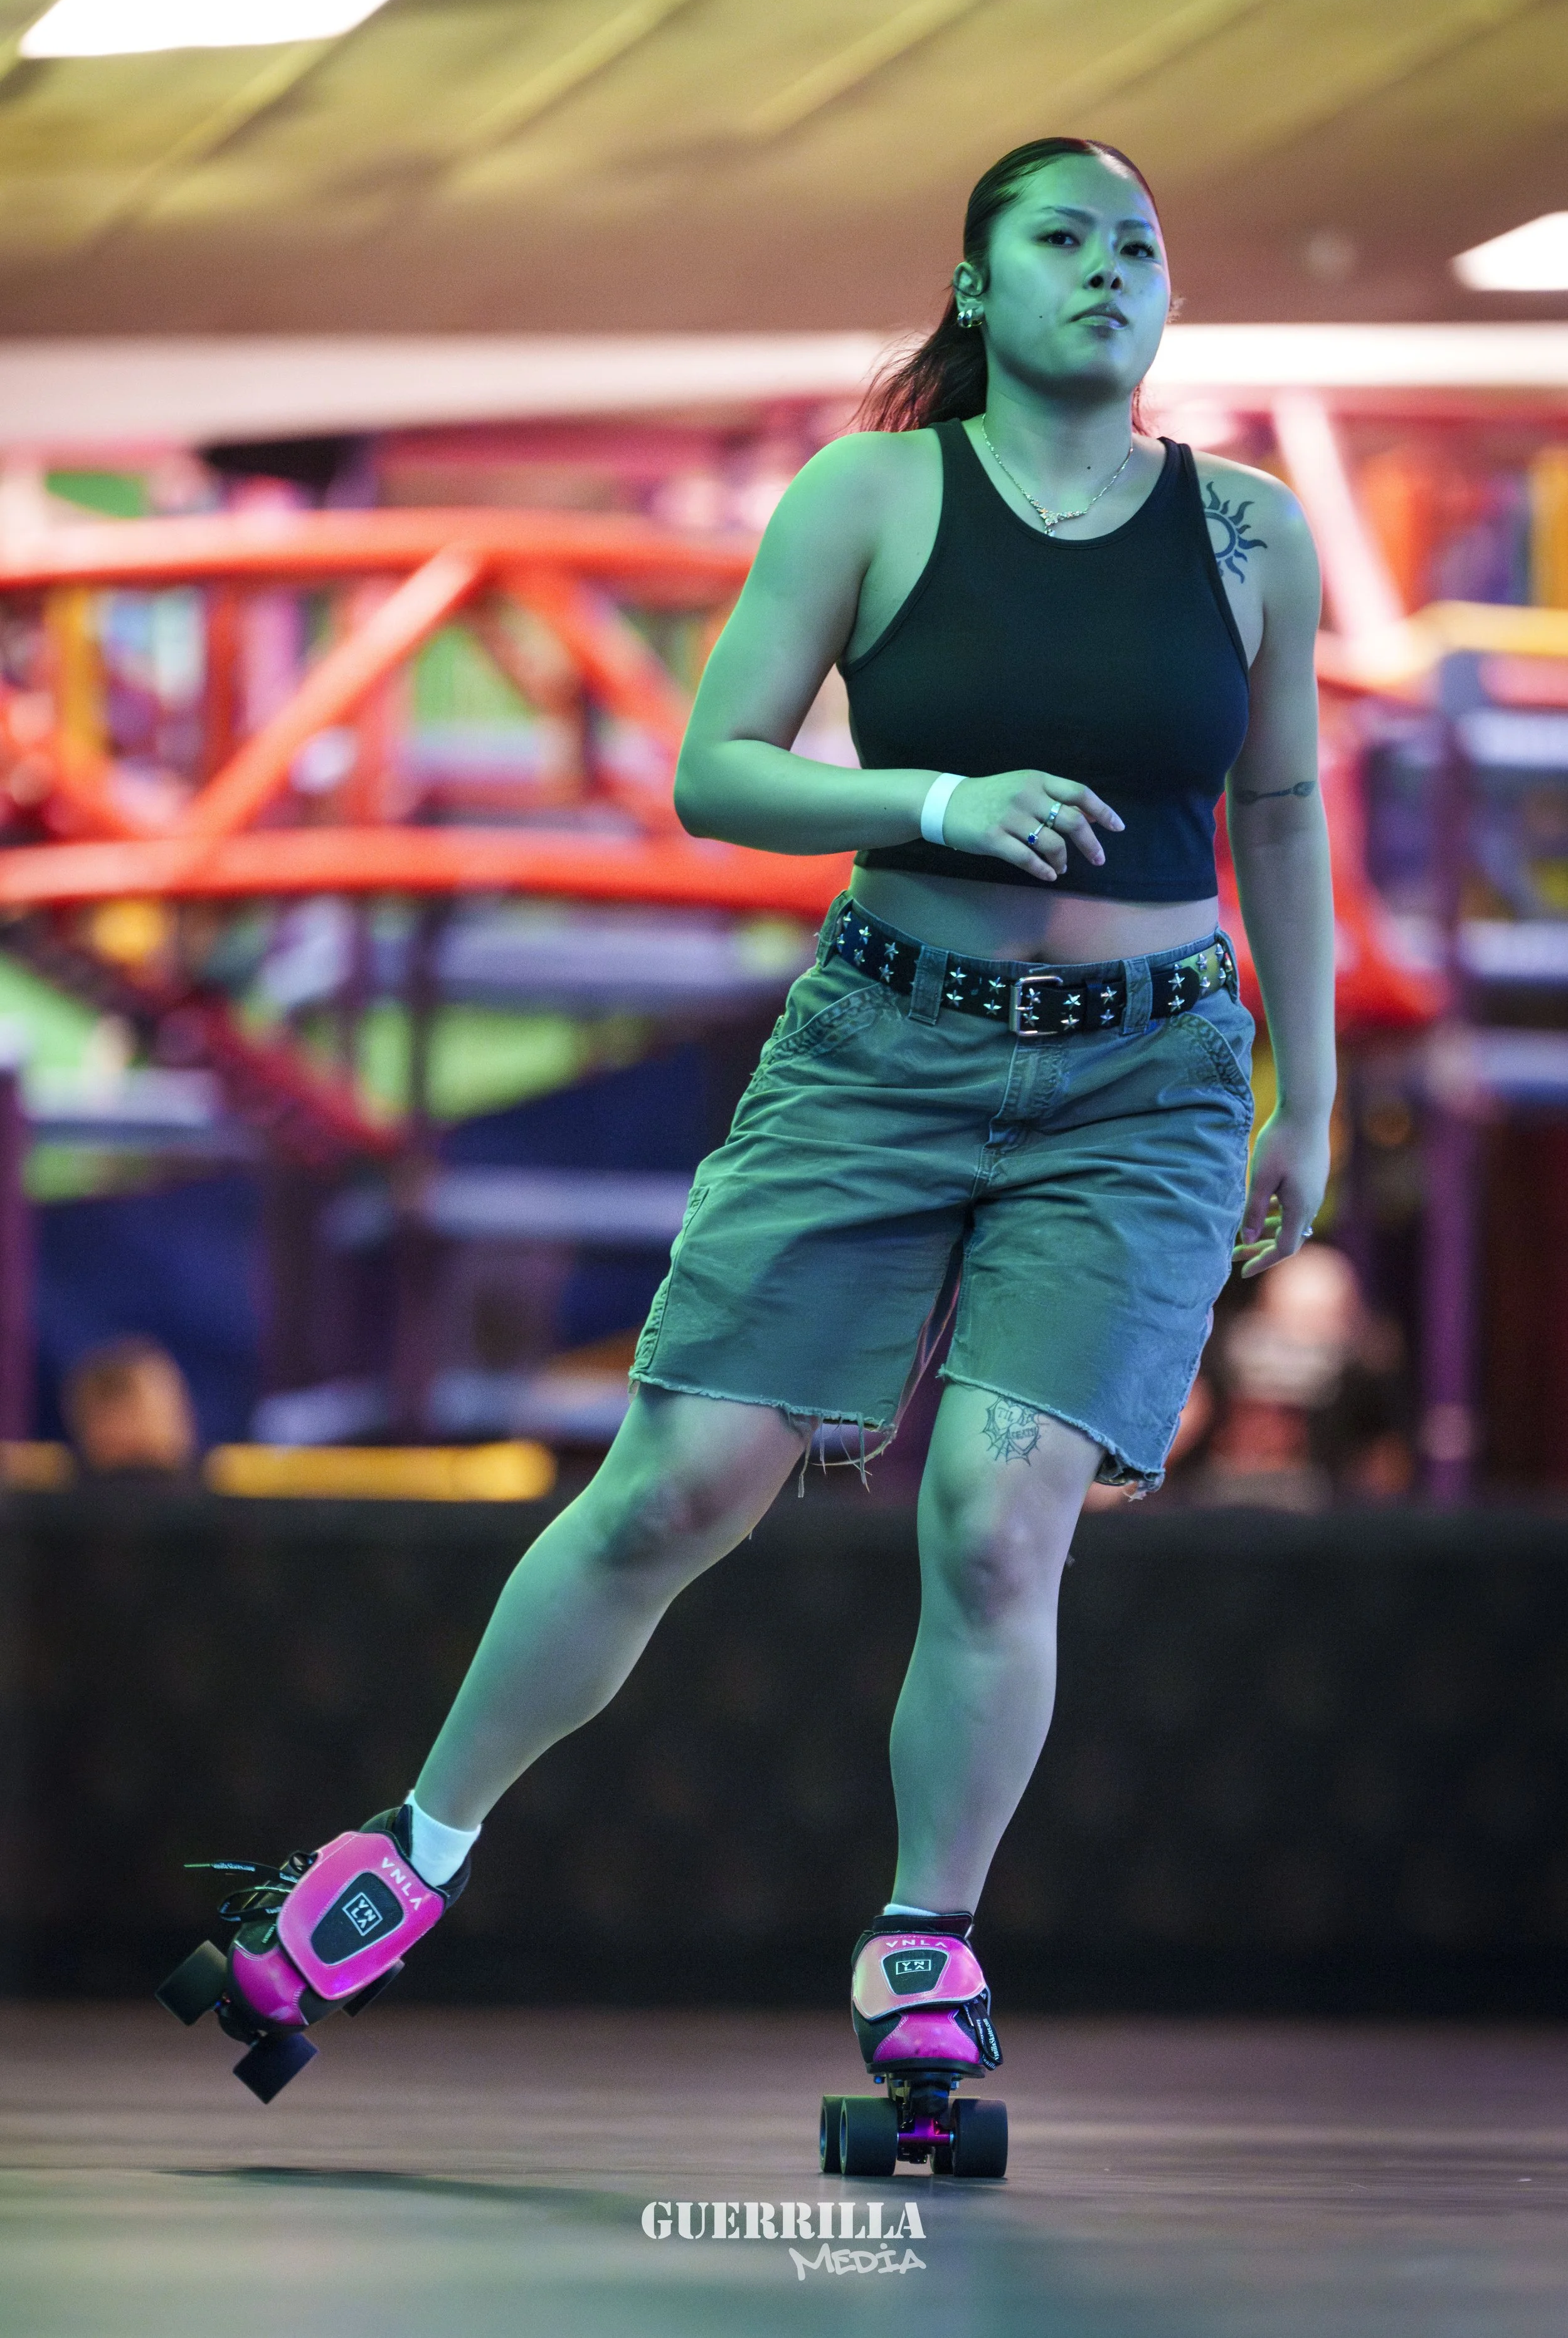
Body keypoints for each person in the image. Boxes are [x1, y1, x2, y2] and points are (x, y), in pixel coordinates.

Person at [165, 137, 1335, 2140]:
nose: (1104, 272)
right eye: (1057, 240)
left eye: (1136, 247)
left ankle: (926, 1953)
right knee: (677, 1481)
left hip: (1144, 1075)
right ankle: (409, 1854)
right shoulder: (871, 494)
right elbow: (716, 773)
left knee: (995, 1507)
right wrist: (936, 805)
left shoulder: (1243, 533)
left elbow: (1287, 817)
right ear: (972, 289)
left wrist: (1298, 1094)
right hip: (882, 1044)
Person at [63, 1335, 198, 1480]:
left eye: (134, 1417)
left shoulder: (210, 1488)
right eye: (110, 1421)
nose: (122, 1432)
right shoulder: (65, 1490)